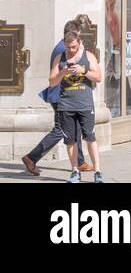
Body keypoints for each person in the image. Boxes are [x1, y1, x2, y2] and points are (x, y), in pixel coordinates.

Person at [21, 22, 90, 177]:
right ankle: (31, 157)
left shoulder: (65, 47)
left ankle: (79, 161)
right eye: (78, 35)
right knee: (61, 129)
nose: (78, 40)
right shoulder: (64, 49)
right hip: (61, 96)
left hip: (65, 96)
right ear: (73, 33)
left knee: (76, 127)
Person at [51, 26, 103, 183]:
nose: (71, 50)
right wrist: (62, 72)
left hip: (85, 105)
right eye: (68, 47)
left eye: (74, 46)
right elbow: (52, 82)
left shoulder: (88, 56)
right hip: (66, 105)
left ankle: (98, 171)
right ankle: (75, 171)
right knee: (71, 140)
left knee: (90, 137)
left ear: (79, 43)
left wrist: (83, 71)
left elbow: (99, 77)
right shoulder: (60, 58)